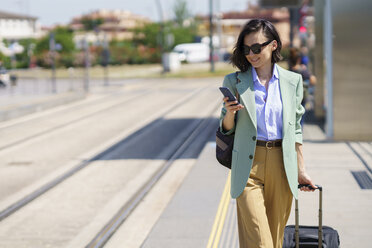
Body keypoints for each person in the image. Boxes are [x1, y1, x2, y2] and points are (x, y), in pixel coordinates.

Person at [219, 19, 317, 248]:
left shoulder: (293, 81)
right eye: (246, 49)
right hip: (248, 166)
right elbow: (225, 127)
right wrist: (230, 113)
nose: (251, 54)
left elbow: (296, 129)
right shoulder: (234, 81)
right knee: (261, 240)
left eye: (256, 48)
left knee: (274, 239)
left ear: (273, 45)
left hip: (282, 165)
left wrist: (301, 171)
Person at [288, 47, 317, 126]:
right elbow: (313, 80)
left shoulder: (288, 71)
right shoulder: (302, 71)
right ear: (299, 59)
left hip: (290, 99)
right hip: (301, 98)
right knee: (300, 121)